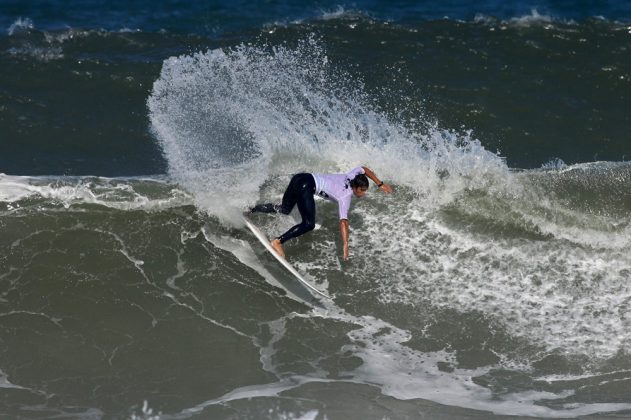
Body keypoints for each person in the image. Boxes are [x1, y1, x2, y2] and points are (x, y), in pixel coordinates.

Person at [250, 166, 392, 260]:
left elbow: (363, 168)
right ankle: (278, 241)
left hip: (300, 177)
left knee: (285, 209)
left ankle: (251, 209)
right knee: (309, 224)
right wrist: (345, 244)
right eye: (362, 190)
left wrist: (380, 184)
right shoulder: (345, 197)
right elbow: (343, 221)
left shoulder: (352, 175)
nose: (363, 193)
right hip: (307, 186)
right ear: (355, 188)